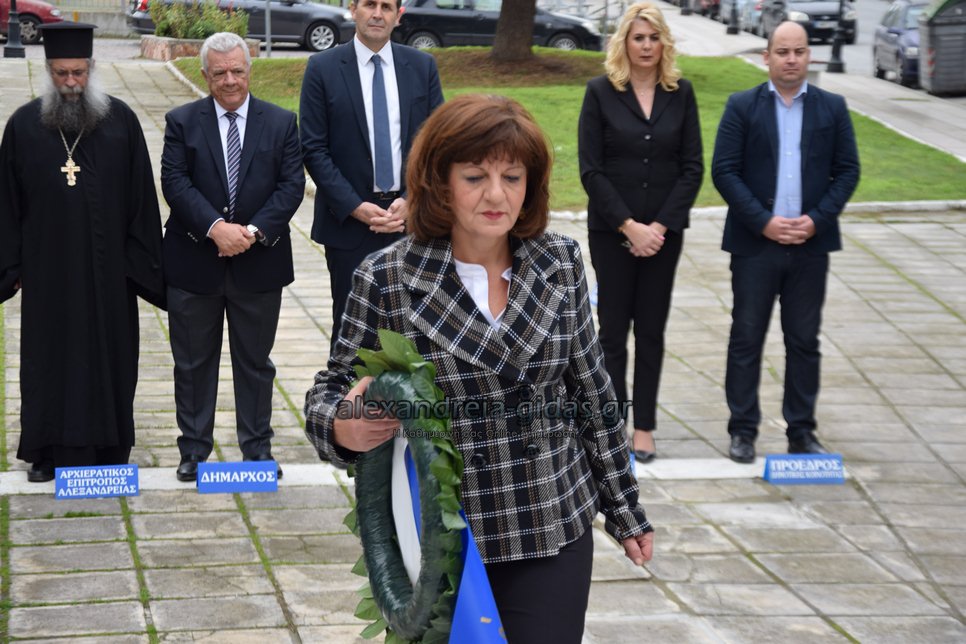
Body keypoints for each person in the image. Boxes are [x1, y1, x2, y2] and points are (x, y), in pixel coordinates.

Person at [304, 94, 654, 643]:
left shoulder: (559, 261)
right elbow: (330, 391)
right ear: (440, 183)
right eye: (475, 177)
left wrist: (624, 509)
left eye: (512, 177)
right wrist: (342, 425)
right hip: (444, 543)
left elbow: (593, 394)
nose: (496, 195)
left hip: (550, 520)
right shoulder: (387, 277)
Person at [0, 23, 165, 483]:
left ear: (91, 69)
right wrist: (12, 266)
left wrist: (140, 266)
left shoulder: (122, 122)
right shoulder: (23, 126)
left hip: (110, 274)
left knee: (111, 357)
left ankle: (110, 449)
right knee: (48, 360)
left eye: (77, 72)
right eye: (61, 73)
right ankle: (47, 452)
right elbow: (6, 205)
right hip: (47, 274)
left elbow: (141, 201)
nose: (70, 82)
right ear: (48, 70)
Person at [712, 21, 860, 463]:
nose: (791, 59)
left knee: (804, 341)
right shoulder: (742, 106)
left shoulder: (832, 107)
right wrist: (763, 222)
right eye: (782, 52)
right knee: (746, 338)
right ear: (767, 57)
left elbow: (848, 171)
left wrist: (817, 220)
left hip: (810, 247)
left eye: (799, 51)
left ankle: (801, 431)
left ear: (809, 55)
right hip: (756, 246)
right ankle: (743, 431)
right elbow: (725, 170)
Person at [160, 32, 305, 482]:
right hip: (194, 261)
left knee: (256, 364)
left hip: (259, 264)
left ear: (249, 71)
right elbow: (175, 182)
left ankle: (257, 451)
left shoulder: (281, 122)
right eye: (219, 72)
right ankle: (193, 450)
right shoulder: (181, 121)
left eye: (237, 71)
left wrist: (252, 233)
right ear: (204, 75)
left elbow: (291, 186)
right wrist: (215, 228)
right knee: (192, 363)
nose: (229, 80)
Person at [578, 2, 703, 464]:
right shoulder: (600, 92)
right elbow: (591, 169)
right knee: (612, 332)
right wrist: (629, 226)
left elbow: (692, 168)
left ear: (663, 43)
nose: (646, 46)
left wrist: (658, 228)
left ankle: (644, 427)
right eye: (638, 38)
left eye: (653, 38)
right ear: (624, 43)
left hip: (664, 237)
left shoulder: (681, 93)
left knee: (651, 331)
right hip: (612, 233)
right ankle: (613, 427)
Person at [298, 0, 443, 347]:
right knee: (353, 338)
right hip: (349, 228)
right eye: (369, 4)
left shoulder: (421, 66)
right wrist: (354, 206)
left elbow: (438, 144)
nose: (377, 14)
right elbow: (313, 148)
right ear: (353, 9)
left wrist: (412, 199)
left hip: (410, 224)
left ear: (398, 16)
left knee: (414, 336)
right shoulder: (322, 68)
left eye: (386, 6)